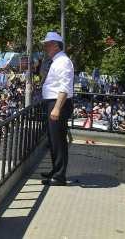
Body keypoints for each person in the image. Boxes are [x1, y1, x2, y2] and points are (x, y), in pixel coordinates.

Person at [40, 31, 74, 186]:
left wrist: (57, 108)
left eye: (47, 44)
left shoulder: (63, 62)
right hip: (53, 102)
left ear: (55, 45)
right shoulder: (56, 61)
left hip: (57, 103)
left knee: (58, 141)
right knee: (53, 140)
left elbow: (64, 87)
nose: (45, 47)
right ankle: (56, 170)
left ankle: (59, 175)